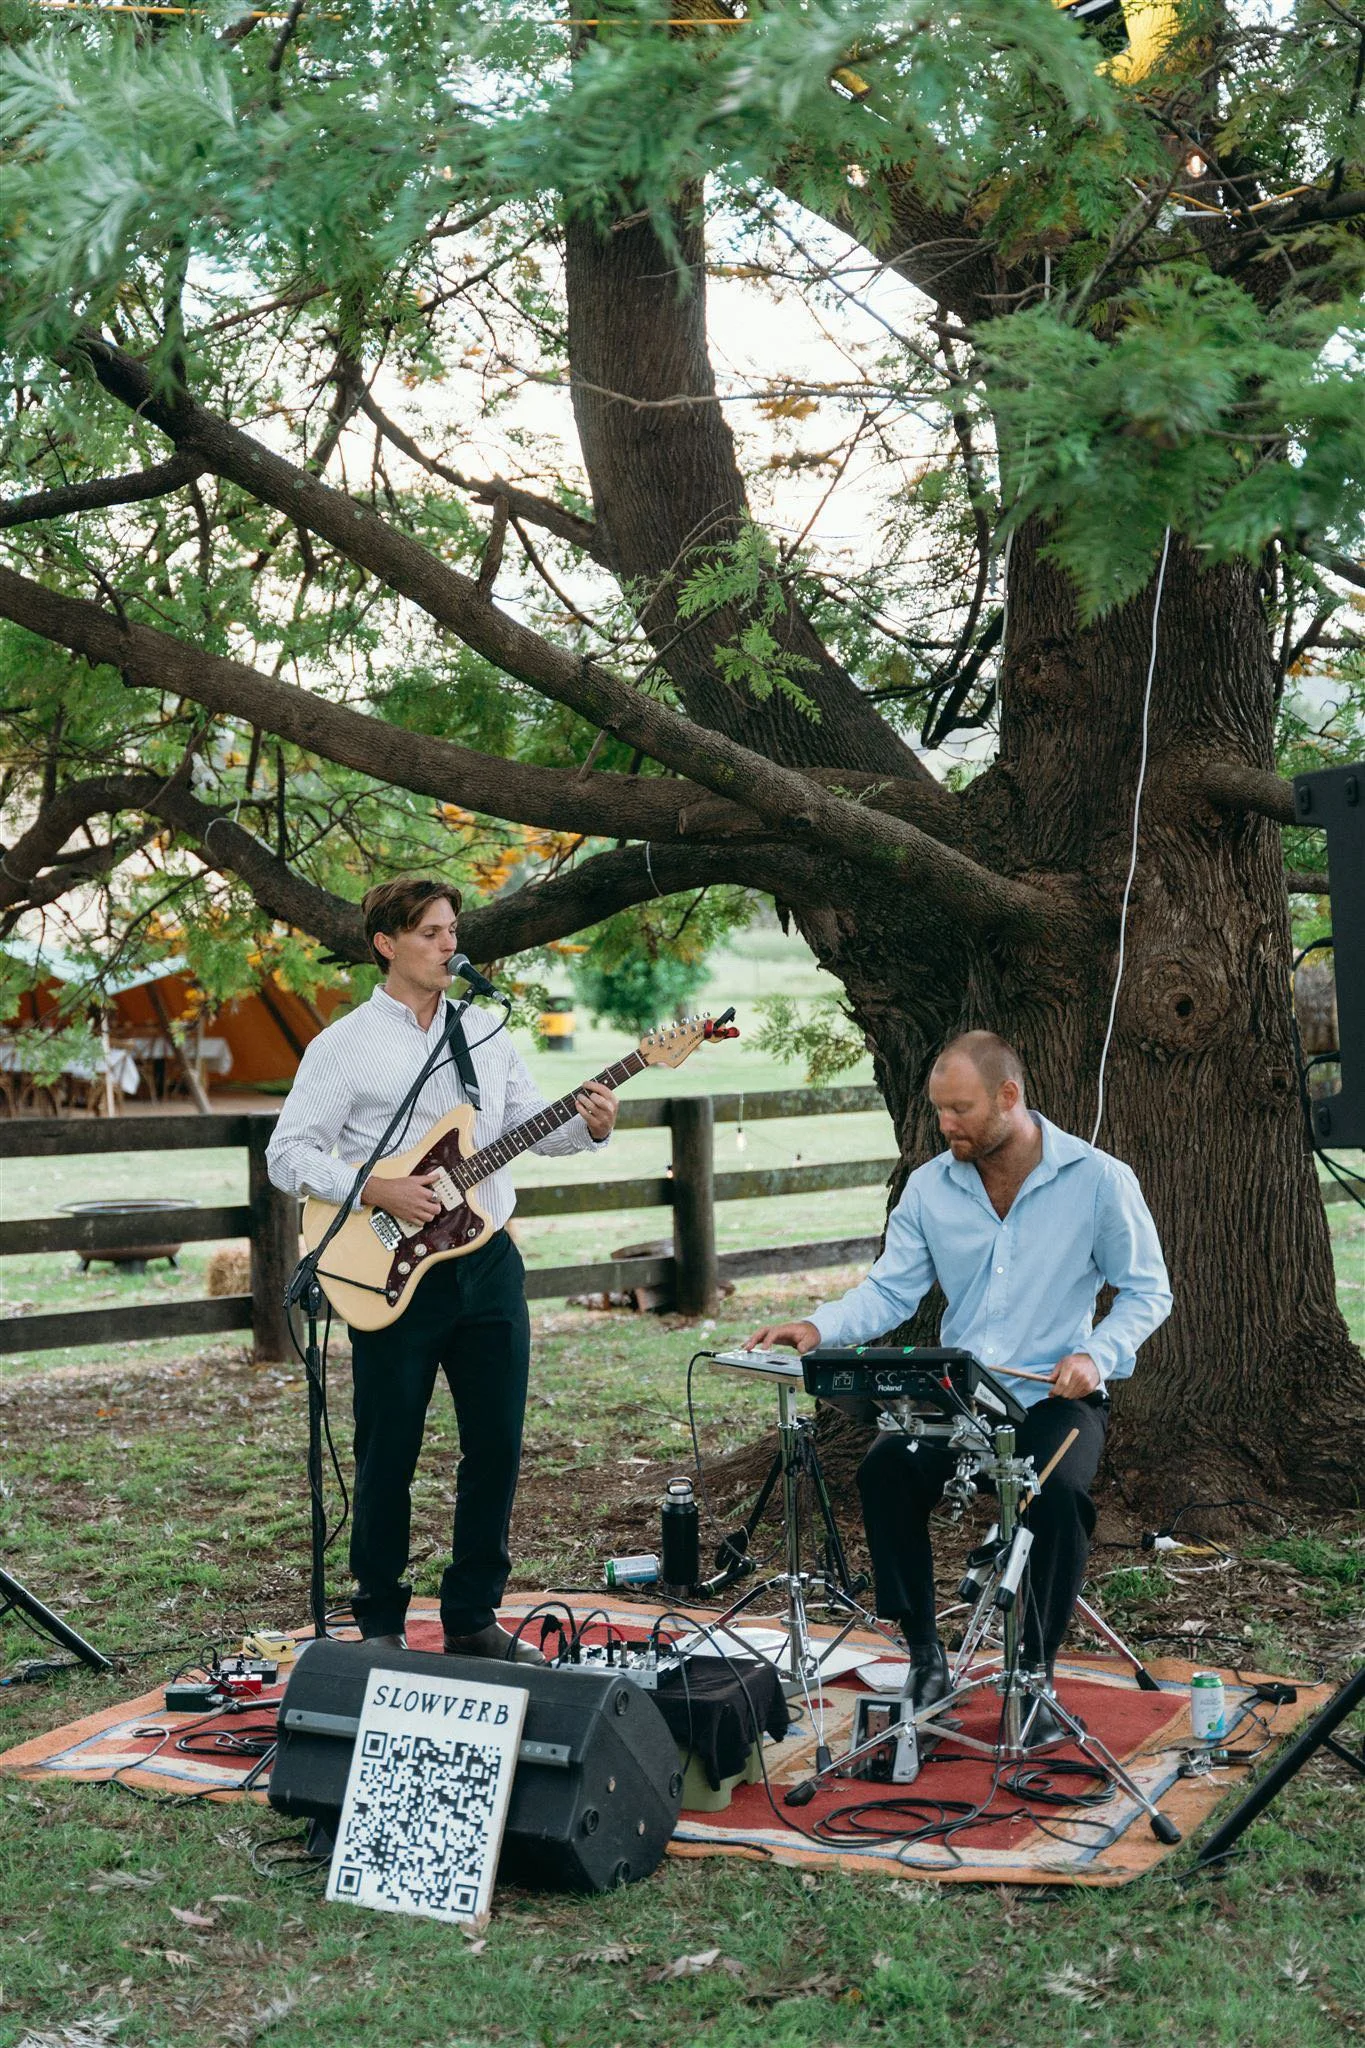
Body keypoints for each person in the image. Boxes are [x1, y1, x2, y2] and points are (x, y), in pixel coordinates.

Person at [747, 1031, 1171, 1734]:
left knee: (1055, 1495)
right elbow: (890, 1290)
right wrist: (819, 1328)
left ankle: (1031, 1676)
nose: (945, 1126)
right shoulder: (928, 1186)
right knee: (885, 1471)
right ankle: (922, 1655)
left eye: (960, 1109)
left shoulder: (1098, 1180)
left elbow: (1146, 1292)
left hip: (1053, 1398)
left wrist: (1097, 1355)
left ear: (1008, 1097)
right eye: (938, 1109)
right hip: (960, 1396)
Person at [267, 876, 618, 1661]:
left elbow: (527, 1129)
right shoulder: (344, 1045)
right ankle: (381, 1622)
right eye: (430, 933)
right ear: (386, 943)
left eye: (452, 931)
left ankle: (471, 1616)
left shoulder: (485, 1031)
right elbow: (286, 1154)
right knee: (387, 1450)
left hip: (486, 1262)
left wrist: (588, 1126)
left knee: (496, 1442)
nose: (448, 945)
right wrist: (375, 1187)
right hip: (388, 1269)